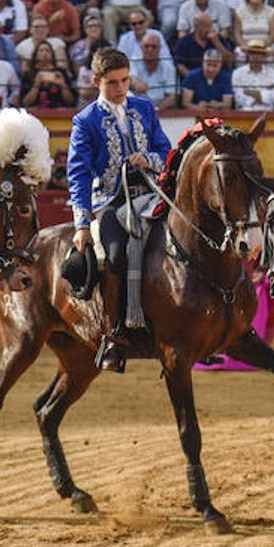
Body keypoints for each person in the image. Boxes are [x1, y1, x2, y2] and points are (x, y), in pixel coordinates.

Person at [67, 47, 173, 372]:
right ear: (97, 81)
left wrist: (149, 159)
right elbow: (79, 174)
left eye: (125, 80)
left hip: (151, 195)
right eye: (112, 82)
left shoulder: (143, 108)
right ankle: (114, 334)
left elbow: (165, 150)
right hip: (112, 203)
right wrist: (82, 224)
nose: (120, 88)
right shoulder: (85, 121)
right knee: (116, 256)